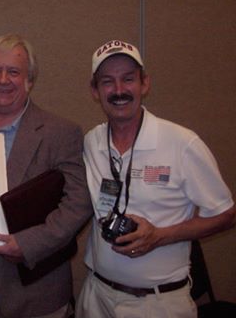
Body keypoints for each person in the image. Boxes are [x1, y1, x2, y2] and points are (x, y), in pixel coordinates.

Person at [76, 39, 236, 318]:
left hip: (157, 304)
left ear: (145, 84)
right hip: (96, 297)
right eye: (107, 82)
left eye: (128, 79)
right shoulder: (92, 141)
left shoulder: (182, 143)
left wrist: (159, 236)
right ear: (94, 90)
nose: (119, 90)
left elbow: (226, 214)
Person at [0, 33, 93, 318]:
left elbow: (78, 203)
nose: (3, 79)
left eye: (13, 71)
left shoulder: (60, 131)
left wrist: (27, 244)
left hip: (35, 289)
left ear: (30, 79)